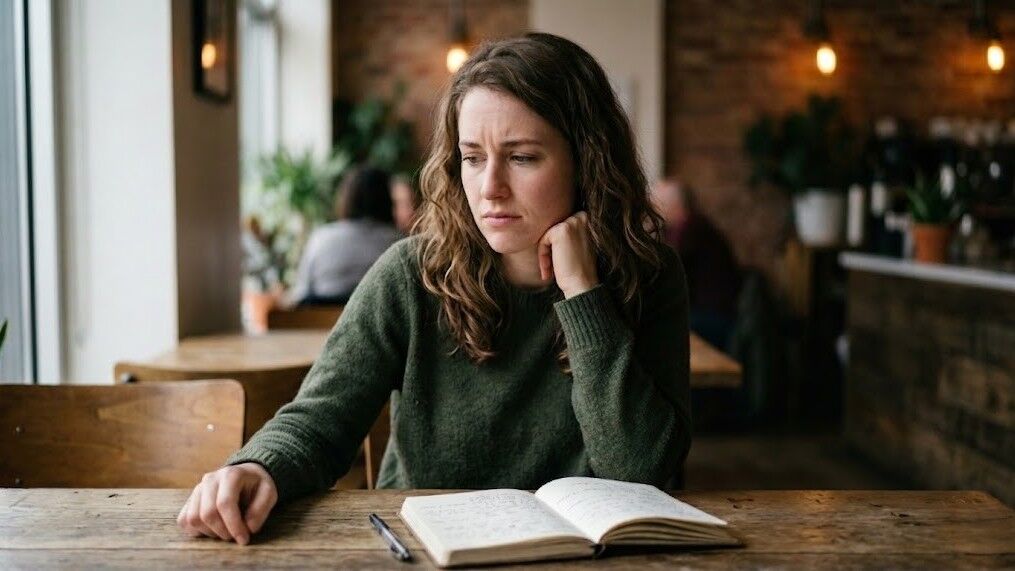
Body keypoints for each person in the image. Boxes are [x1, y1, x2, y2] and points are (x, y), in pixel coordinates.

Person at [177, 32, 691, 546]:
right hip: (421, 551)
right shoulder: (411, 274)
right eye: (473, 158)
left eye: (522, 157)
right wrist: (258, 466)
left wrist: (583, 294)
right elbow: (320, 418)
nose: (490, 188)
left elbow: (640, 472)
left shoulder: (647, 276)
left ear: (587, 160)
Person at [286, 166, 403, 306]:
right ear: (387, 200)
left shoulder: (321, 239)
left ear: (346, 199)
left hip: (322, 319)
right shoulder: (399, 243)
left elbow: (301, 294)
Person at [652, 179, 741, 351]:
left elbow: (665, 276)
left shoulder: (691, 228)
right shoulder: (686, 226)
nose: (653, 209)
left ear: (674, 205)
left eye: (657, 203)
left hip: (712, 317)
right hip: (709, 313)